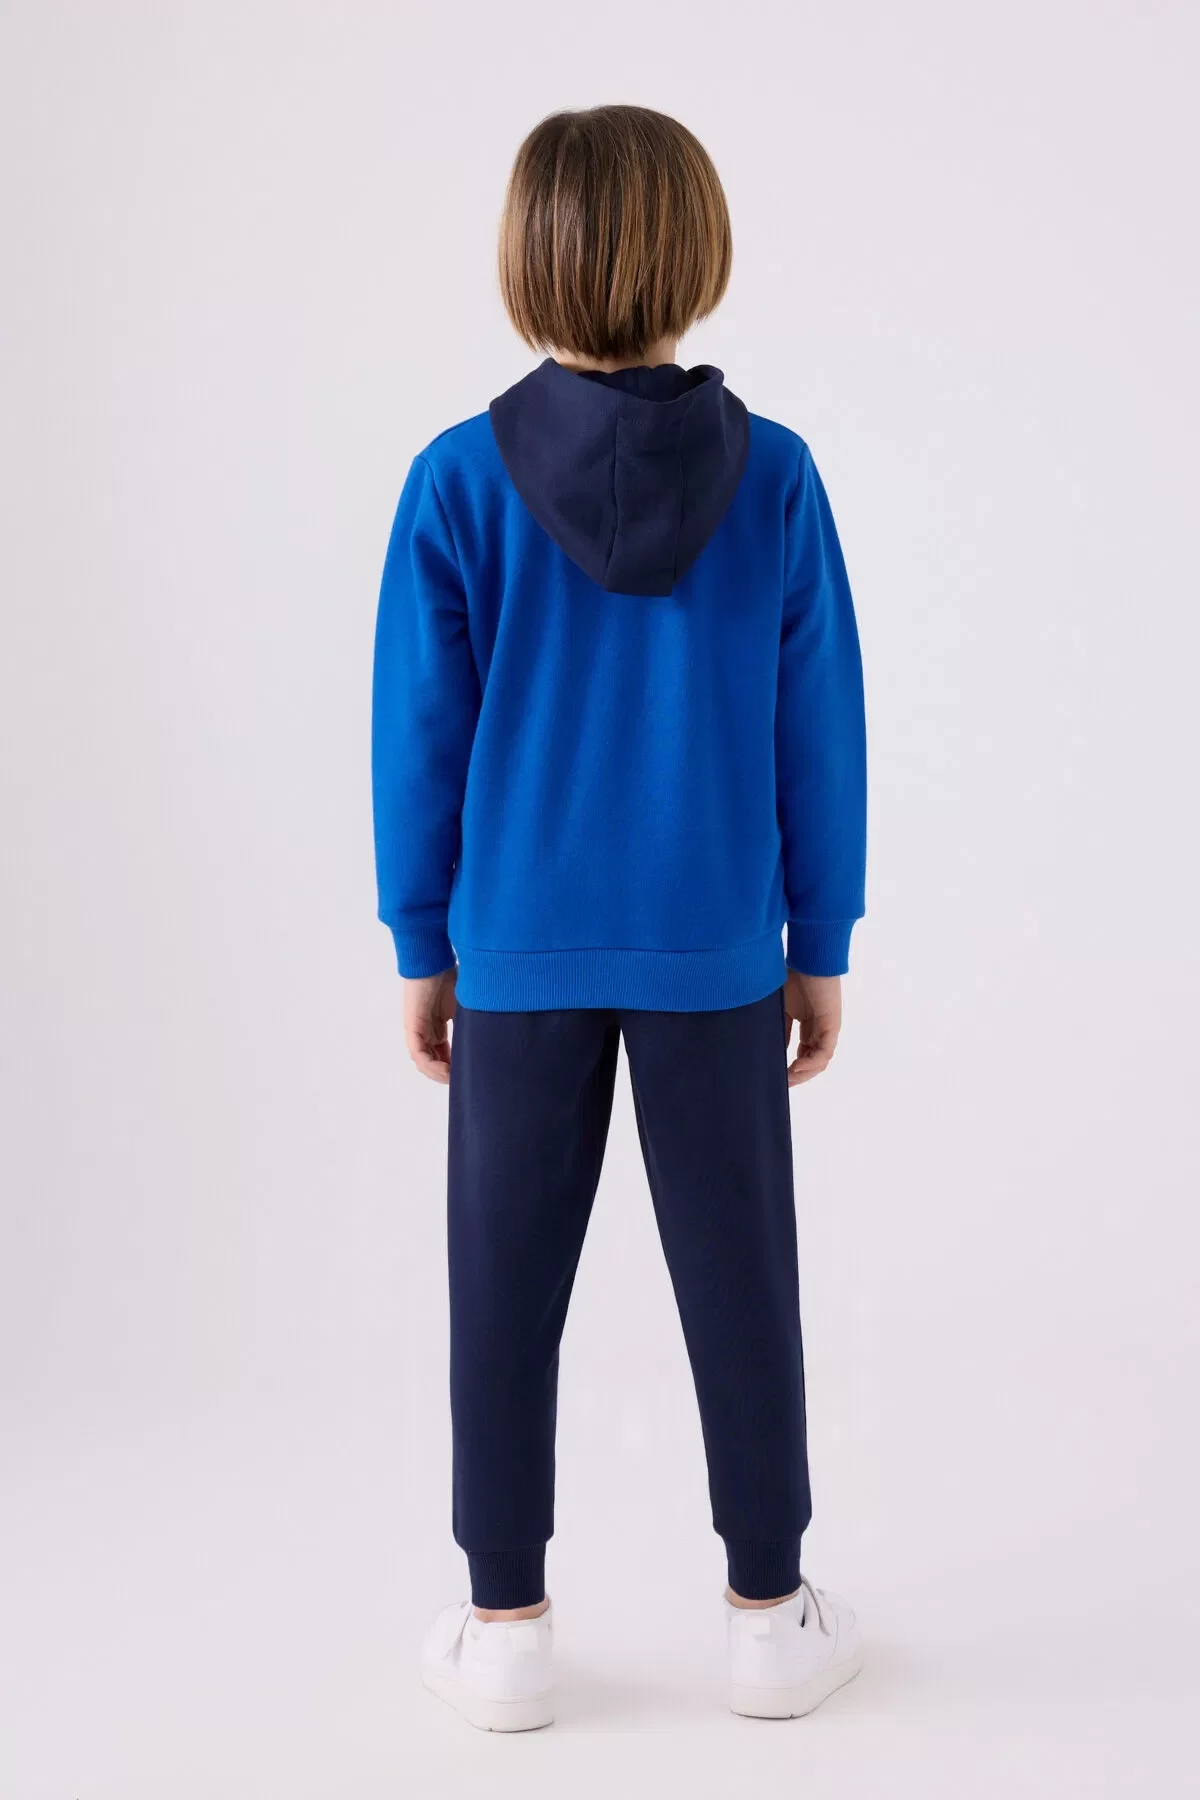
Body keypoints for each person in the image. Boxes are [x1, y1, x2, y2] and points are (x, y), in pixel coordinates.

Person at [372, 104, 867, 1731]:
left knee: (501, 1291)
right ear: (695, 252)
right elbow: (819, 730)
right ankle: (770, 1617)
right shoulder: (775, 477)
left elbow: (419, 735)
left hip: (516, 954)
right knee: (744, 1283)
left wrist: (423, 943)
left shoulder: (456, 482)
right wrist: (818, 942)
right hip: (718, 953)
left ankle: (505, 1626)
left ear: (526, 261)